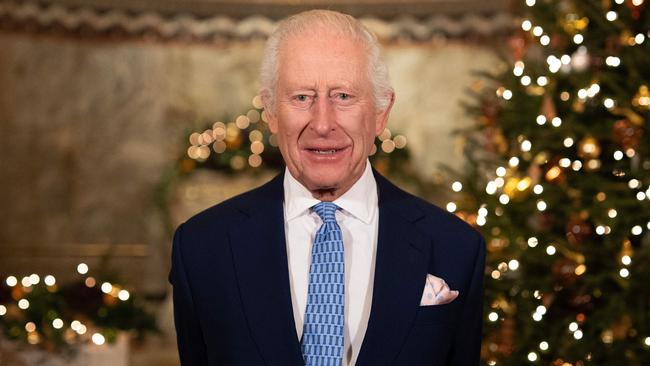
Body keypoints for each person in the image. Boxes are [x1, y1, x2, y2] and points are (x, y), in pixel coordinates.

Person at [170, 9, 485, 366]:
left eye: (344, 97)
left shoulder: (456, 248)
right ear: (271, 112)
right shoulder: (201, 248)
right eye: (302, 97)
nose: (322, 124)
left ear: (381, 112)